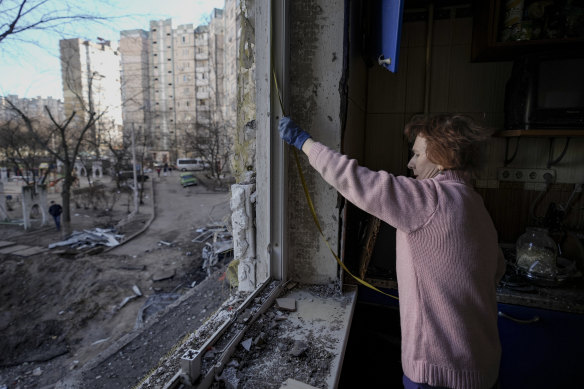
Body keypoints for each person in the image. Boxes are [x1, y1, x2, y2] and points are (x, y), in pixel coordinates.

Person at [278, 114, 505, 389]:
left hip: (437, 373)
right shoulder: (476, 206)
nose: (411, 163)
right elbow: (496, 270)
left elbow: (356, 180)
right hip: (483, 368)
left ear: (443, 157)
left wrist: (305, 143)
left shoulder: (429, 199)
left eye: (418, 154)